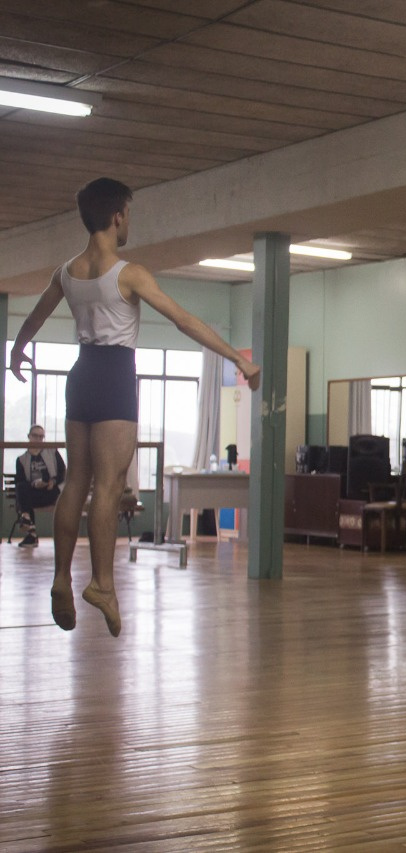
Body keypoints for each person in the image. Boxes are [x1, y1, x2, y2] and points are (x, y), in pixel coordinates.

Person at [9, 177, 262, 637]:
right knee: (108, 486)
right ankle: (102, 584)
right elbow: (183, 321)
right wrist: (238, 360)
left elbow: (35, 317)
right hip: (115, 376)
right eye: (128, 214)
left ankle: (61, 577)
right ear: (117, 216)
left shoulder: (66, 272)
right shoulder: (129, 273)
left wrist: (18, 350)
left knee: (75, 482)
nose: (129, 223)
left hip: (81, 374)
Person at [14, 424, 66, 548]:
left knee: (23, 501)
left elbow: (62, 472)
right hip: (33, 492)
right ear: (29, 436)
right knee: (22, 488)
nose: (38, 439)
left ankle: (29, 527)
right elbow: (21, 480)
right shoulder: (21, 459)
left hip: (52, 491)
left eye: (41, 437)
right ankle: (27, 519)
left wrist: (53, 482)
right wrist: (35, 484)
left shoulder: (52, 452)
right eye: (35, 436)